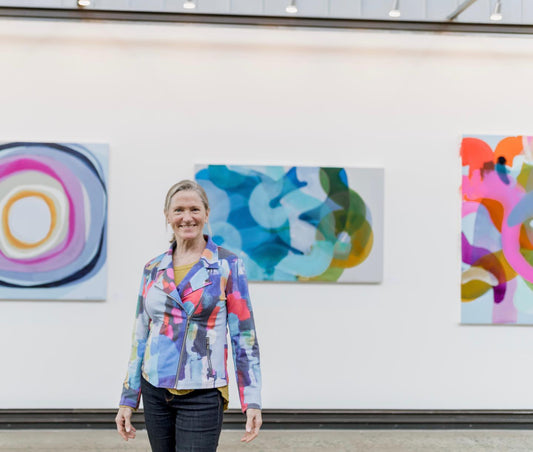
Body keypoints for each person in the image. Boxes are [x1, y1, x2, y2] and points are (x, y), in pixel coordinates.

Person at [115, 180, 262, 451]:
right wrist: (128, 398)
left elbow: (244, 337)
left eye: (194, 209)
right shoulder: (153, 268)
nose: (187, 217)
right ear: (168, 216)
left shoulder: (228, 265)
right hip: (155, 389)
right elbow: (141, 335)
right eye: (179, 210)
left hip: (203, 391)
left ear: (206, 214)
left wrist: (251, 400)